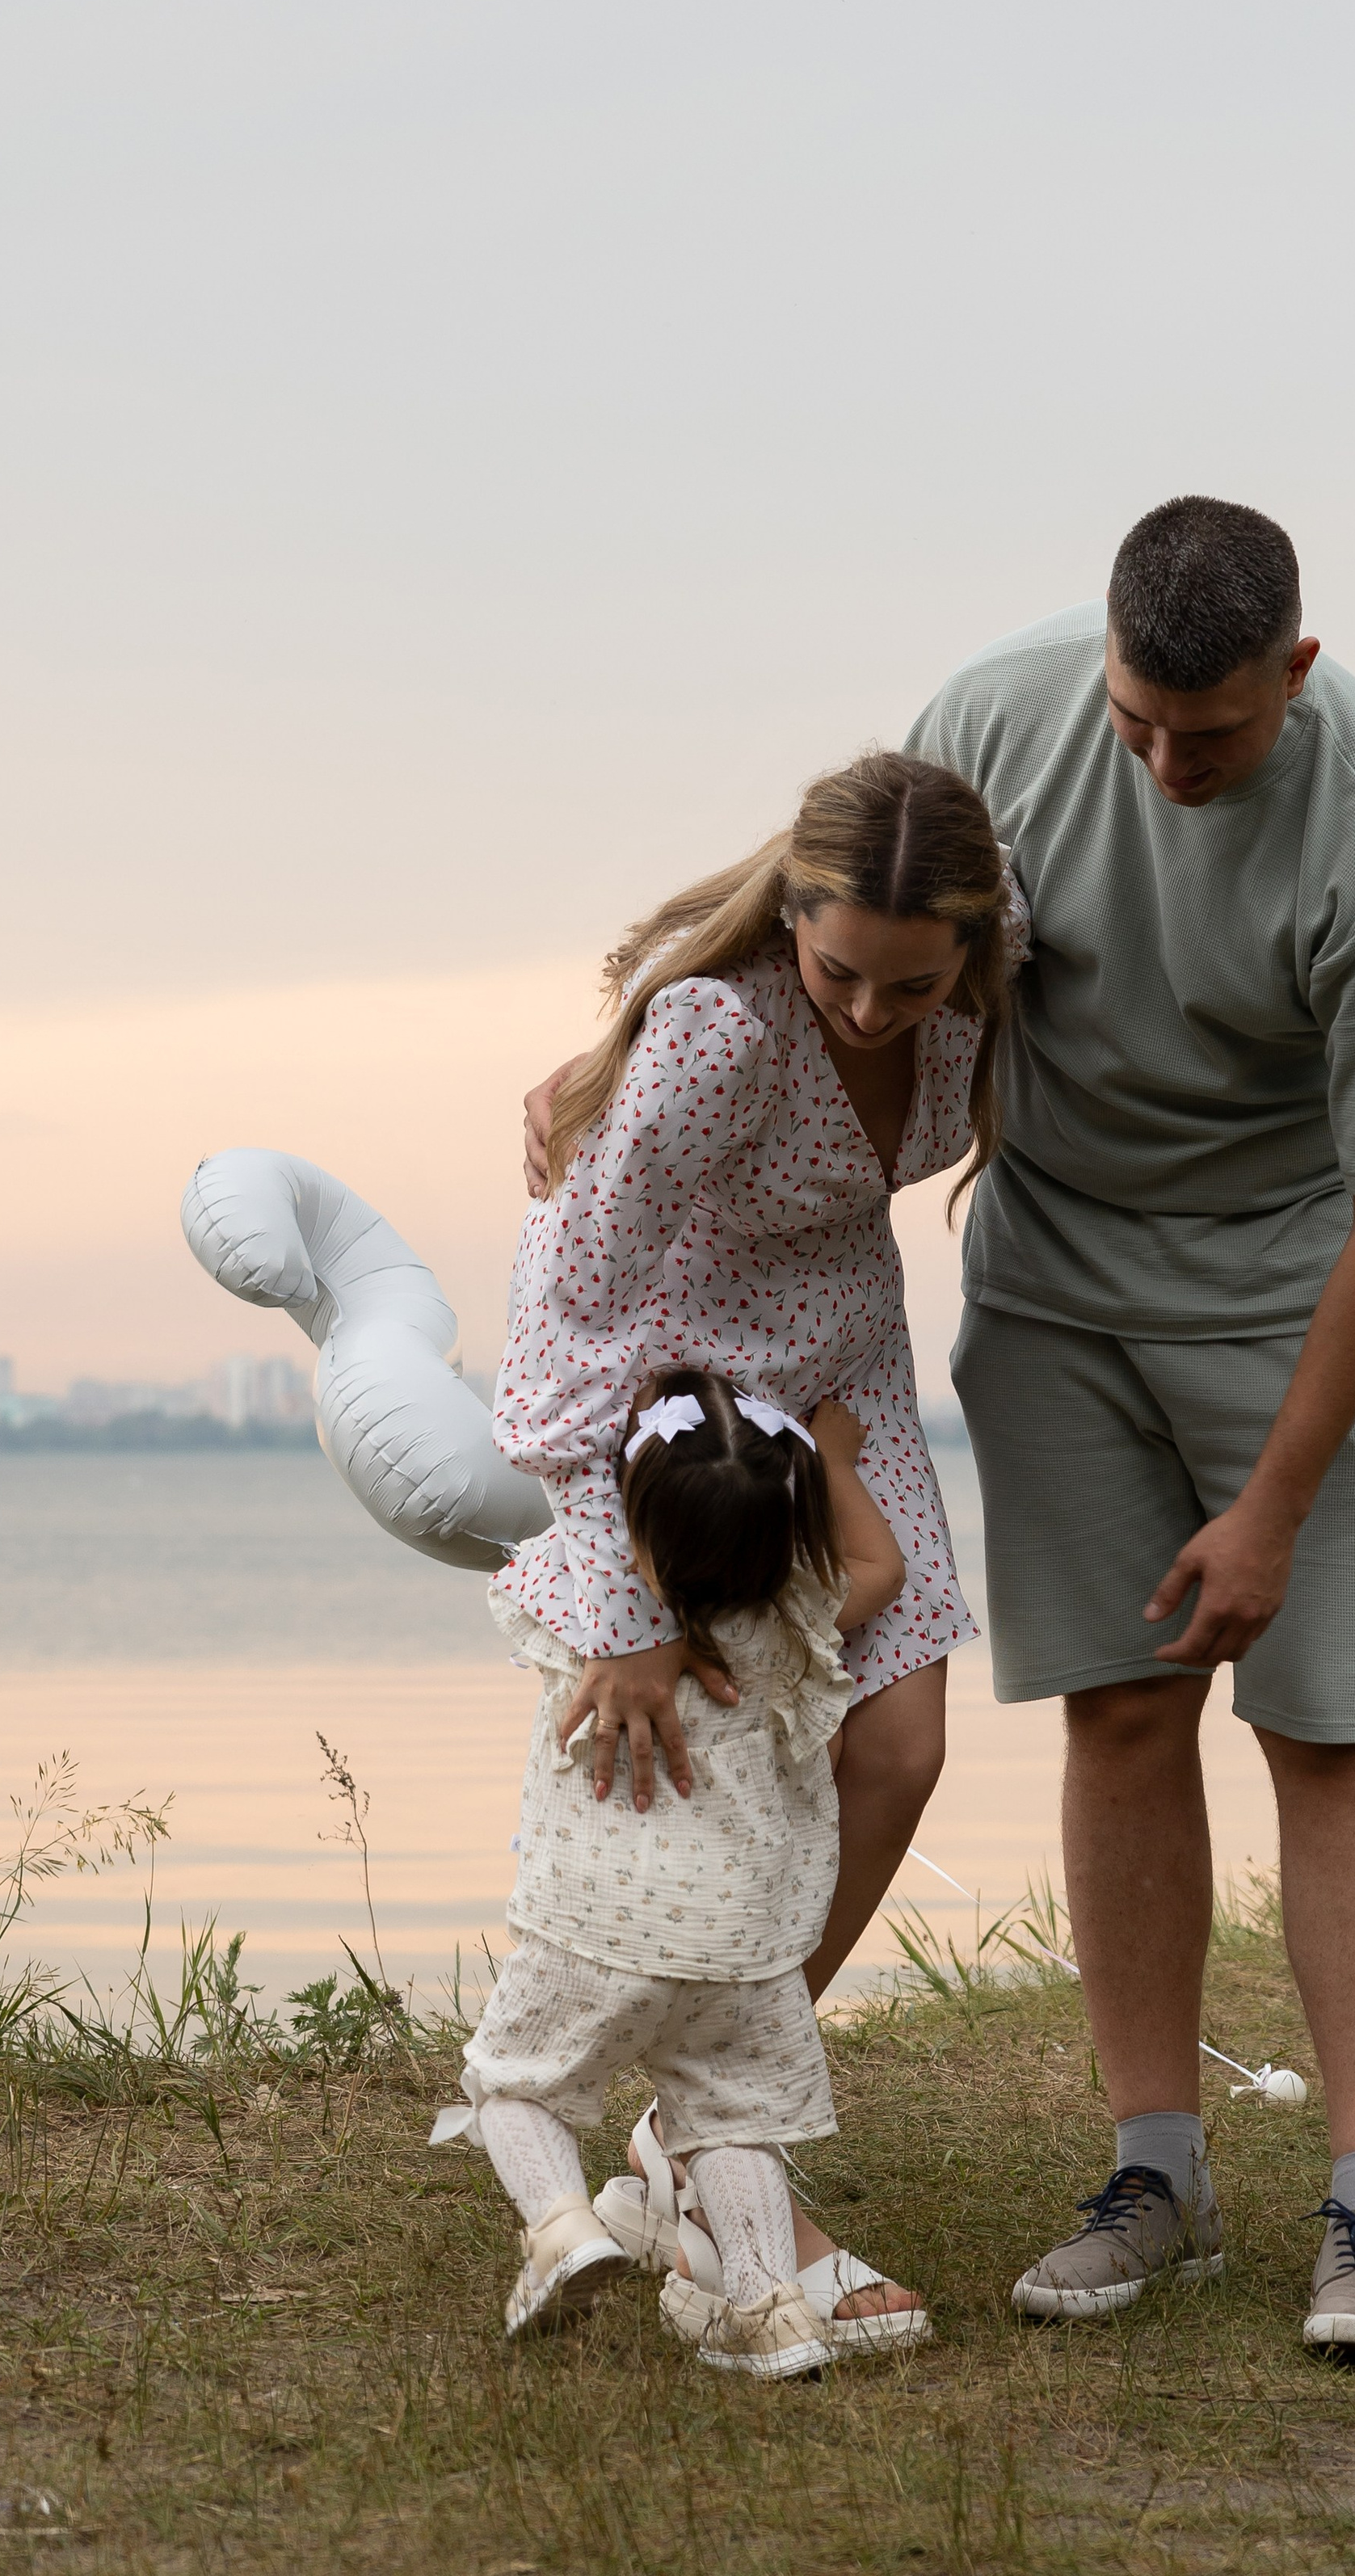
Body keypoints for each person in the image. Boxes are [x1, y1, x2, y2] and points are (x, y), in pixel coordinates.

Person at [907, 495, 1355, 2363]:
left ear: (1293, 674)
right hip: (1054, 1272)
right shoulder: (993, 722)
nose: (1166, 764)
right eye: (1136, 721)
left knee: (1329, 1730)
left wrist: (1268, 1505)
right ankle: (1150, 2177)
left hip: (1291, 1272)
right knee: (1116, 1700)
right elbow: (842, 931)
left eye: (1213, 734)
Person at [504, 748, 1022, 2335]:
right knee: (725, 1787)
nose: (870, 1015)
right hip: (693, 1426)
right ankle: (736, 2184)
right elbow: (560, 1312)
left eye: (910, 983)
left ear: (972, 951)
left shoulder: (987, 992)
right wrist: (621, 1605)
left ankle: (685, 2132)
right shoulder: (715, 1036)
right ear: (789, 921)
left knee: (901, 1745)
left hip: (846, 1392)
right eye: (838, 973)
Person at [445, 1366, 906, 2375]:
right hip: (746, 1955)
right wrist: (831, 1461)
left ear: (634, 1534)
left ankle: (563, 2230)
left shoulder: (586, 1615)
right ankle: (767, 2308)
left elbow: (531, 1525)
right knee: (730, 2123)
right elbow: (885, 1565)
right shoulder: (798, 1616)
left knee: (514, 2088)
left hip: (594, 1935)